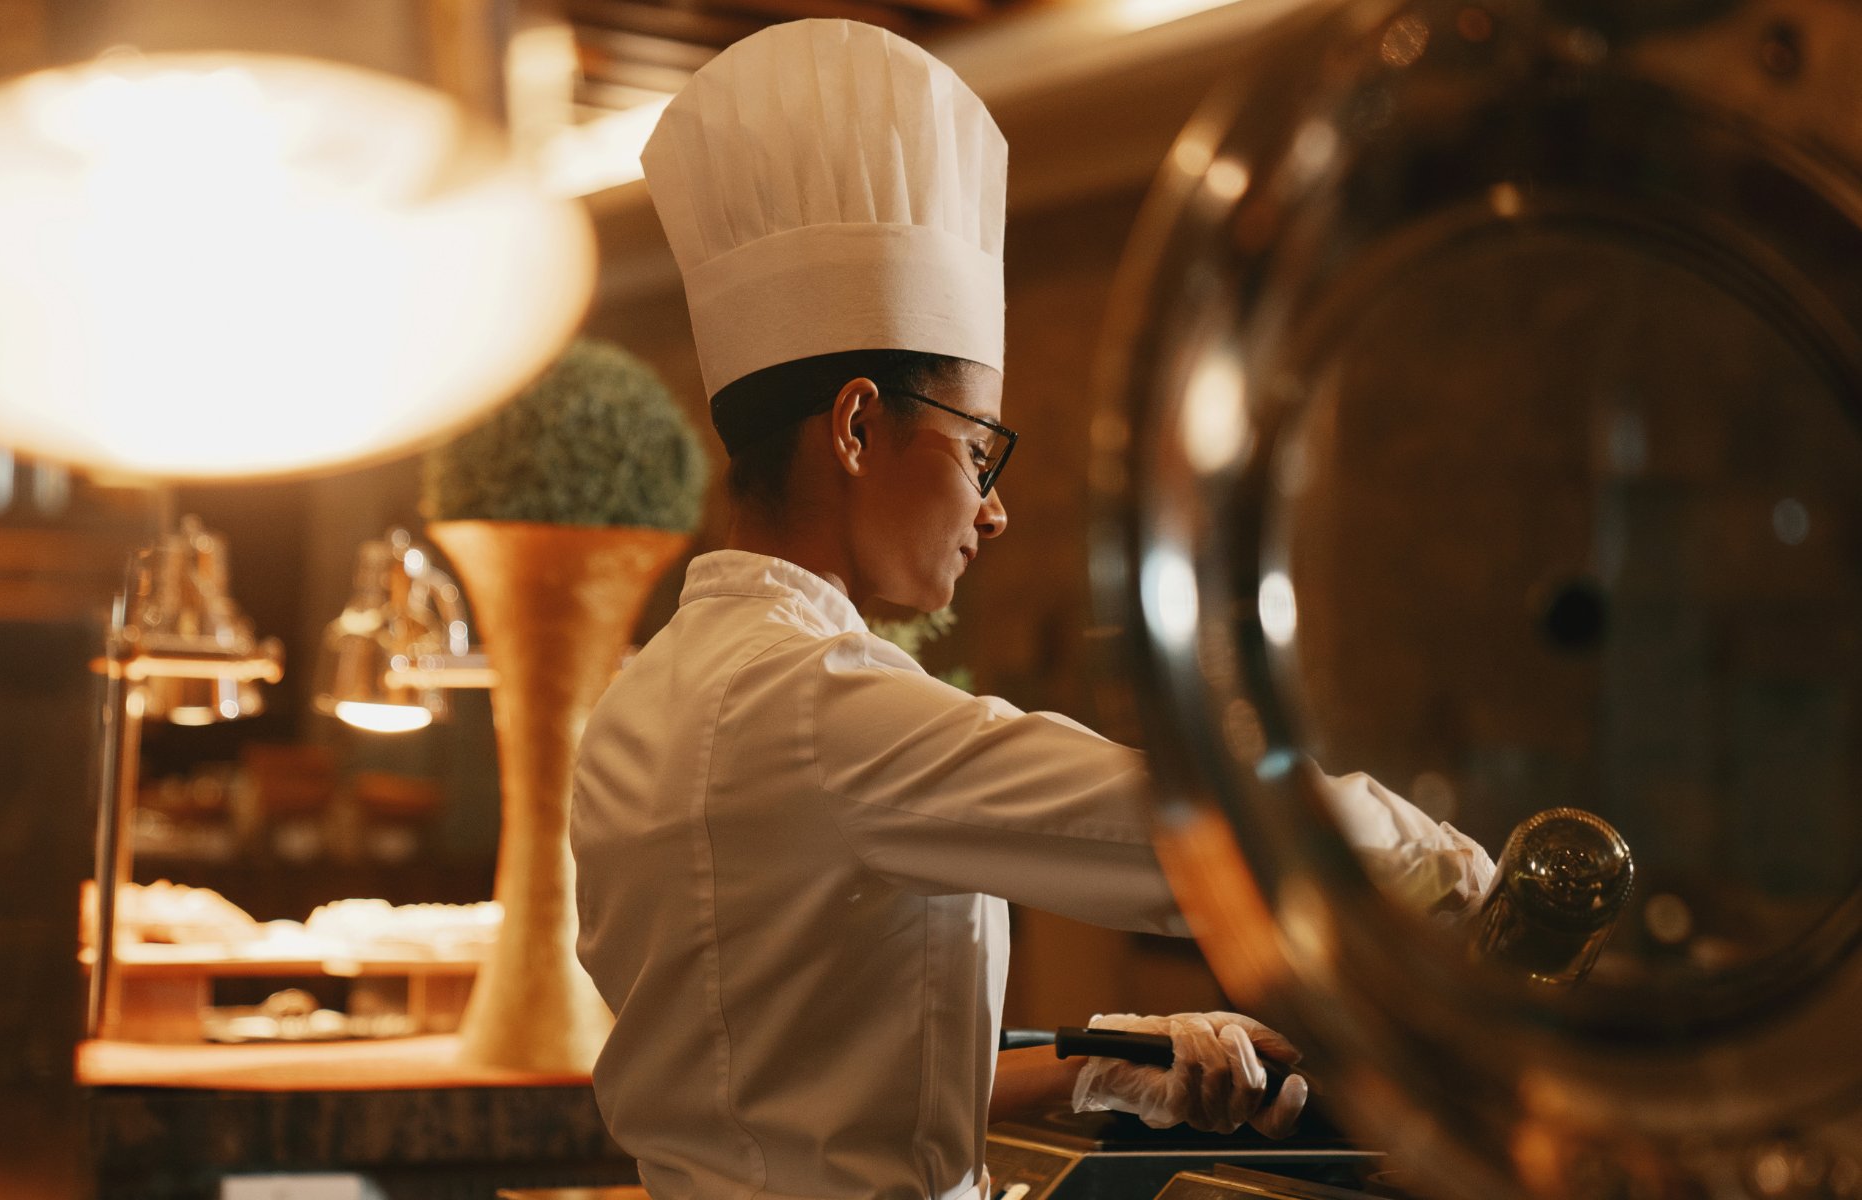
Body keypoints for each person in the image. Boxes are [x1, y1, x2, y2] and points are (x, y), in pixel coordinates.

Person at [570, 20, 1492, 1200]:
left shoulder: (645, 698)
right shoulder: (815, 706)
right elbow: (1180, 831)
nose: (992, 511)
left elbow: (783, 1078)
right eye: (974, 451)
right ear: (857, 427)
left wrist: (1097, 1069)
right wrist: (1447, 877)